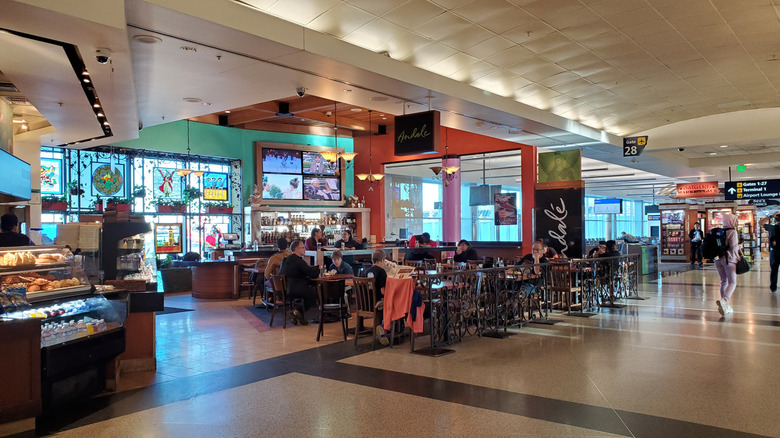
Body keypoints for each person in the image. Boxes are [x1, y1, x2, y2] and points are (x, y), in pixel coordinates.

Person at [278, 239, 319, 325]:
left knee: (310, 289)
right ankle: (297, 312)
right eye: (303, 247)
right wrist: (319, 269)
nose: (305, 249)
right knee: (314, 294)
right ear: (297, 249)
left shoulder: (285, 260)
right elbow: (312, 274)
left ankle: (298, 315)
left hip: (284, 289)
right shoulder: (298, 261)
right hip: (294, 289)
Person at [715, 213, 740, 316]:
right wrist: (739, 249)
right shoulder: (732, 232)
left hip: (717, 259)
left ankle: (724, 304)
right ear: (731, 221)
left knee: (723, 281)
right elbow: (733, 248)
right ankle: (724, 301)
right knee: (732, 282)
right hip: (729, 259)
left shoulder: (718, 232)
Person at [767, 214, 780, 293]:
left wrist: (770, 216)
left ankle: (773, 287)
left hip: (774, 252)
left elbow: (760, 223)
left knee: (774, 270)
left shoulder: (772, 227)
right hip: (775, 251)